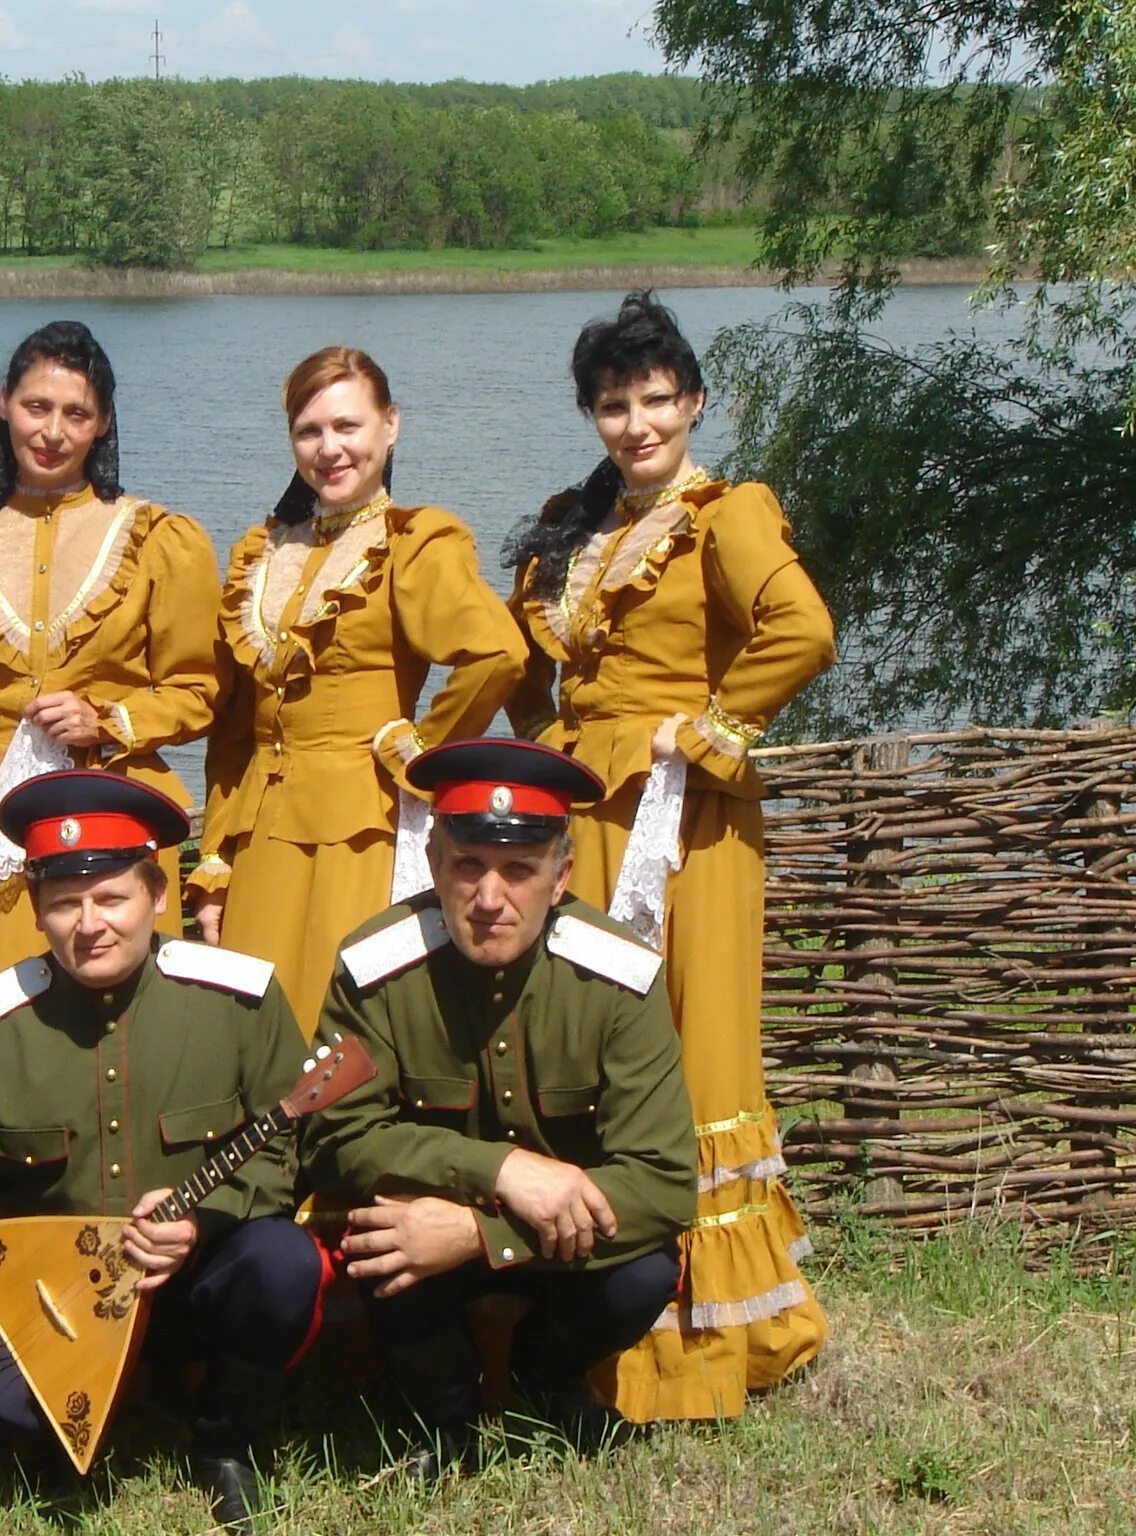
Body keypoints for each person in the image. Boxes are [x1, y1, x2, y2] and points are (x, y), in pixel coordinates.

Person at [503, 291, 836, 1422]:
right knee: (590, 1043)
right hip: (582, 816)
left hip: (682, 823)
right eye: (612, 404)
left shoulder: (725, 513)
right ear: (590, 413)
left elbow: (803, 629)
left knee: (690, 1045)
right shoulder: (568, 520)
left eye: (655, 400)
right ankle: (583, 1313)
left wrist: (698, 729)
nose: (636, 424)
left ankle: (701, 1339)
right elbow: (520, 667)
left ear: (693, 402)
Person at [0, 770, 321, 1531]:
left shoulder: (239, 999)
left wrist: (203, 1222)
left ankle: (225, 1439)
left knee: (280, 1262)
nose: (88, 924)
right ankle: (65, 1427)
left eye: (111, 898)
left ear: (158, 894)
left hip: (197, 1277)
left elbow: (288, 1145)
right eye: (64, 903)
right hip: (55, 1302)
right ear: (36, 910)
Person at [299, 738, 696, 1469]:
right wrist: (500, 1169)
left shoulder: (618, 979)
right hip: (423, 1242)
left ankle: (549, 1383)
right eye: (468, 867)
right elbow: (334, 1135)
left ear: (561, 874)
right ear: (432, 864)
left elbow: (666, 1185)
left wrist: (484, 1232)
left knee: (646, 1269)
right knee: (381, 1237)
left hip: (565, 1250)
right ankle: (443, 1414)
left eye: (519, 871)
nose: (490, 899)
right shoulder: (376, 967)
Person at [0, 320, 220, 1068]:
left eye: (75, 414)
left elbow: (199, 691)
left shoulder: (163, 540)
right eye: (37, 406)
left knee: (115, 1045)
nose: (53, 431)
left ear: (102, 423)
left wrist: (109, 719)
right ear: (3, 403)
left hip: (109, 810)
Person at [192, 346, 527, 1030]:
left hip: (360, 829)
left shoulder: (413, 542)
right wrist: (217, 861)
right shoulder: (260, 552)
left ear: (391, 426)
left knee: (344, 1022)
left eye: (348, 426)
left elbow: (497, 654)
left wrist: (423, 752)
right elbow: (234, 732)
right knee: (255, 1028)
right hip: (260, 837)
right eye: (309, 431)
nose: (329, 448)